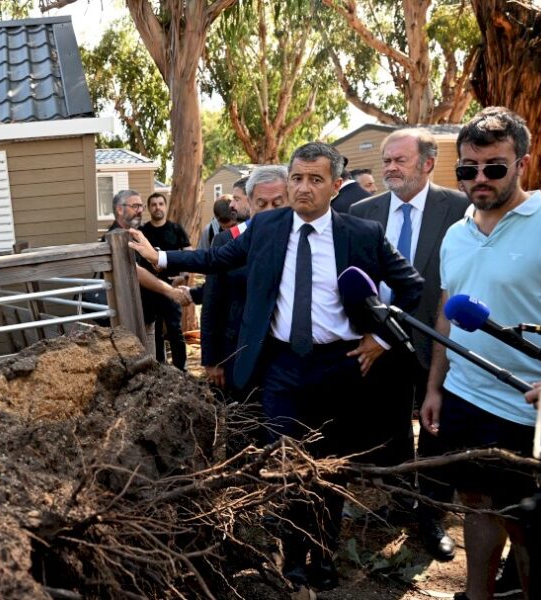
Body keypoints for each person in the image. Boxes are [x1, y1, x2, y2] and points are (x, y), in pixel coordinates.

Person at [129, 142, 424, 591]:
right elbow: (216, 261)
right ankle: (293, 557)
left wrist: (379, 340)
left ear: (335, 185)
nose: (303, 188)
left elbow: (411, 285)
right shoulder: (266, 226)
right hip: (282, 367)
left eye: (315, 179)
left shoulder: (361, 234)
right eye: (297, 178)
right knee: (286, 466)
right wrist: (161, 258)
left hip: (339, 367)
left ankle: (324, 555)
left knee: (329, 467)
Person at [419, 107, 541, 600]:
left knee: (528, 526)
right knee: (477, 505)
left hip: (529, 410)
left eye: (494, 168)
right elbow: (446, 313)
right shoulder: (456, 233)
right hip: (464, 395)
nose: (478, 179)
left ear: (523, 164)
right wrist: (436, 387)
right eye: (467, 168)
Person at [349, 128, 469, 561]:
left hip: (438, 341)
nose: (390, 169)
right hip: (381, 343)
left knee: (437, 426)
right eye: (386, 161)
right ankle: (401, 500)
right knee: (389, 424)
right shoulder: (363, 211)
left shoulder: (459, 207)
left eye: (399, 160)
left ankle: (433, 512)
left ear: (427, 163)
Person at [201, 165, 288, 392]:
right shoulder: (227, 241)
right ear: (250, 203)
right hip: (237, 350)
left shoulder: (302, 238)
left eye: (277, 203)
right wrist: (211, 359)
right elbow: (212, 302)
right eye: (261, 202)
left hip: (286, 355)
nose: (269, 210)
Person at [102, 190, 191, 353]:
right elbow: (135, 271)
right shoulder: (114, 237)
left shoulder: (135, 235)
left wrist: (158, 263)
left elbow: (151, 261)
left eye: (141, 206)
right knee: (143, 365)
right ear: (120, 210)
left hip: (146, 314)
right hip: (127, 318)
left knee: (153, 361)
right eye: (135, 206)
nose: (140, 210)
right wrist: (170, 291)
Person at [140, 192, 192, 370]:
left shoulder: (176, 229)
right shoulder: (142, 232)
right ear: (149, 208)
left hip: (172, 288)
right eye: (153, 204)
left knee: (174, 329)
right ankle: (159, 367)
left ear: (165, 206)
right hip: (149, 290)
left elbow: (189, 254)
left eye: (161, 204)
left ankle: (180, 369)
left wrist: (183, 276)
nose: (157, 207)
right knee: (154, 332)